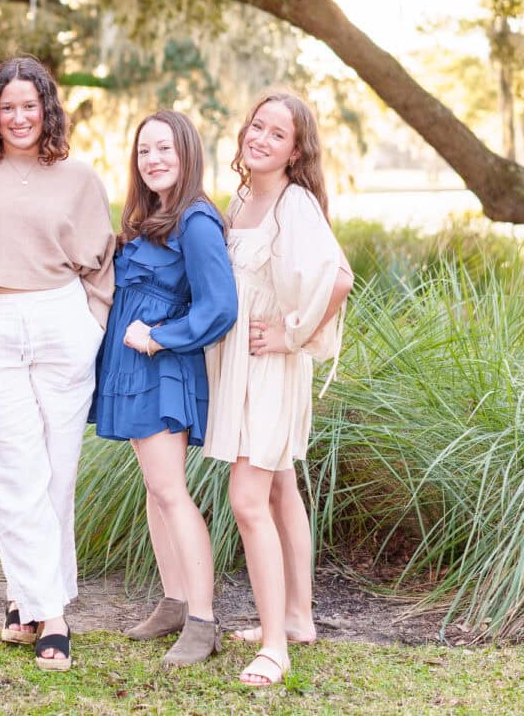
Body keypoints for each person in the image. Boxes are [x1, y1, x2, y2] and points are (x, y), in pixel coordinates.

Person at [0, 56, 115, 673]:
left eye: (29, 106)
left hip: (63, 323)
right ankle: (53, 615)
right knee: (12, 472)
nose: (18, 117)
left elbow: (101, 261)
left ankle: (25, 601)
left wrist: (91, 322)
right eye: (6, 107)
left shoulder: (79, 176)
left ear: (47, 109)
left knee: (57, 471)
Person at [203, 90, 353, 687]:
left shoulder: (294, 204)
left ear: (296, 151)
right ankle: (296, 618)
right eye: (257, 126)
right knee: (279, 487)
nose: (260, 138)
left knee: (247, 498)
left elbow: (337, 278)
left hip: (269, 366)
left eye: (277, 134)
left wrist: (292, 336)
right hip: (239, 363)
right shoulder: (243, 198)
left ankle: (273, 648)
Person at [91, 110, 238, 667]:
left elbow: (220, 306)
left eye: (164, 150)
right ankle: (175, 601)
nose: (153, 160)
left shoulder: (196, 221)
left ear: (187, 155)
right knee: (157, 489)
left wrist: (160, 337)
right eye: (144, 151)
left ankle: (203, 621)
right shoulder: (148, 216)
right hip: (131, 371)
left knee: (171, 491)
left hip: (162, 370)